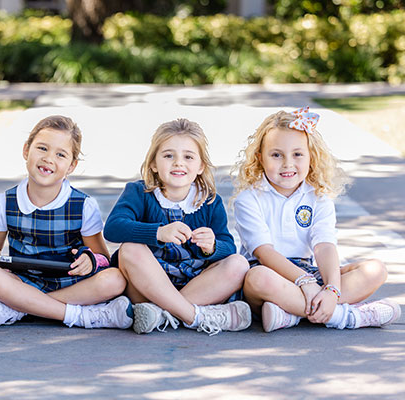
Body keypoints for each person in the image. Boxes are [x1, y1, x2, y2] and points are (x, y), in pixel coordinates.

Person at [232, 106, 401, 332]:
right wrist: (306, 283)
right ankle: (346, 316)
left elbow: (324, 246)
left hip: (308, 272)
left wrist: (331, 290)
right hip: (268, 274)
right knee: (258, 279)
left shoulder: (318, 196)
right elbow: (265, 253)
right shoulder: (249, 199)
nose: (288, 163)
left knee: (376, 270)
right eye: (276, 155)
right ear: (260, 158)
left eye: (297, 154)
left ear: (311, 157)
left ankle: (291, 314)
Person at [0, 115, 132, 330]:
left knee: (115, 279)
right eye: (42, 148)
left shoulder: (83, 205)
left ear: (71, 166)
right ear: (26, 150)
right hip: (22, 281)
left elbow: (103, 258)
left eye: (60, 154)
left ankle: (19, 308)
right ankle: (79, 315)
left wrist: (90, 261)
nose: (49, 158)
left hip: (70, 282)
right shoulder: (5, 202)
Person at [104, 118, 251, 335]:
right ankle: (197, 316)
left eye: (188, 157)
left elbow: (228, 246)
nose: (178, 163)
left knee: (238, 264)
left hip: (196, 285)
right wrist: (158, 232)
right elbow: (113, 228)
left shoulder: (210, 201)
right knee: (130, 249)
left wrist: (212, 246)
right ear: (153, 163)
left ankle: (161, 314)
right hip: (147, 286)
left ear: (201, 166)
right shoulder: (139, 193)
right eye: (168, 155)